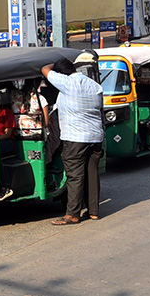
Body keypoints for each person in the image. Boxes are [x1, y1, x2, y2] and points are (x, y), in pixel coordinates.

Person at [41, 57, 104, 225]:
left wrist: (53, 64)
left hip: (75, 138)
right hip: (95, 136)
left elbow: (45, 70)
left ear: (61, 73)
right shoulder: (95, 86)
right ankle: (93, 212)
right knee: (91, 174)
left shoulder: (67, 83)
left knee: (75, 175)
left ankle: (72, 214)